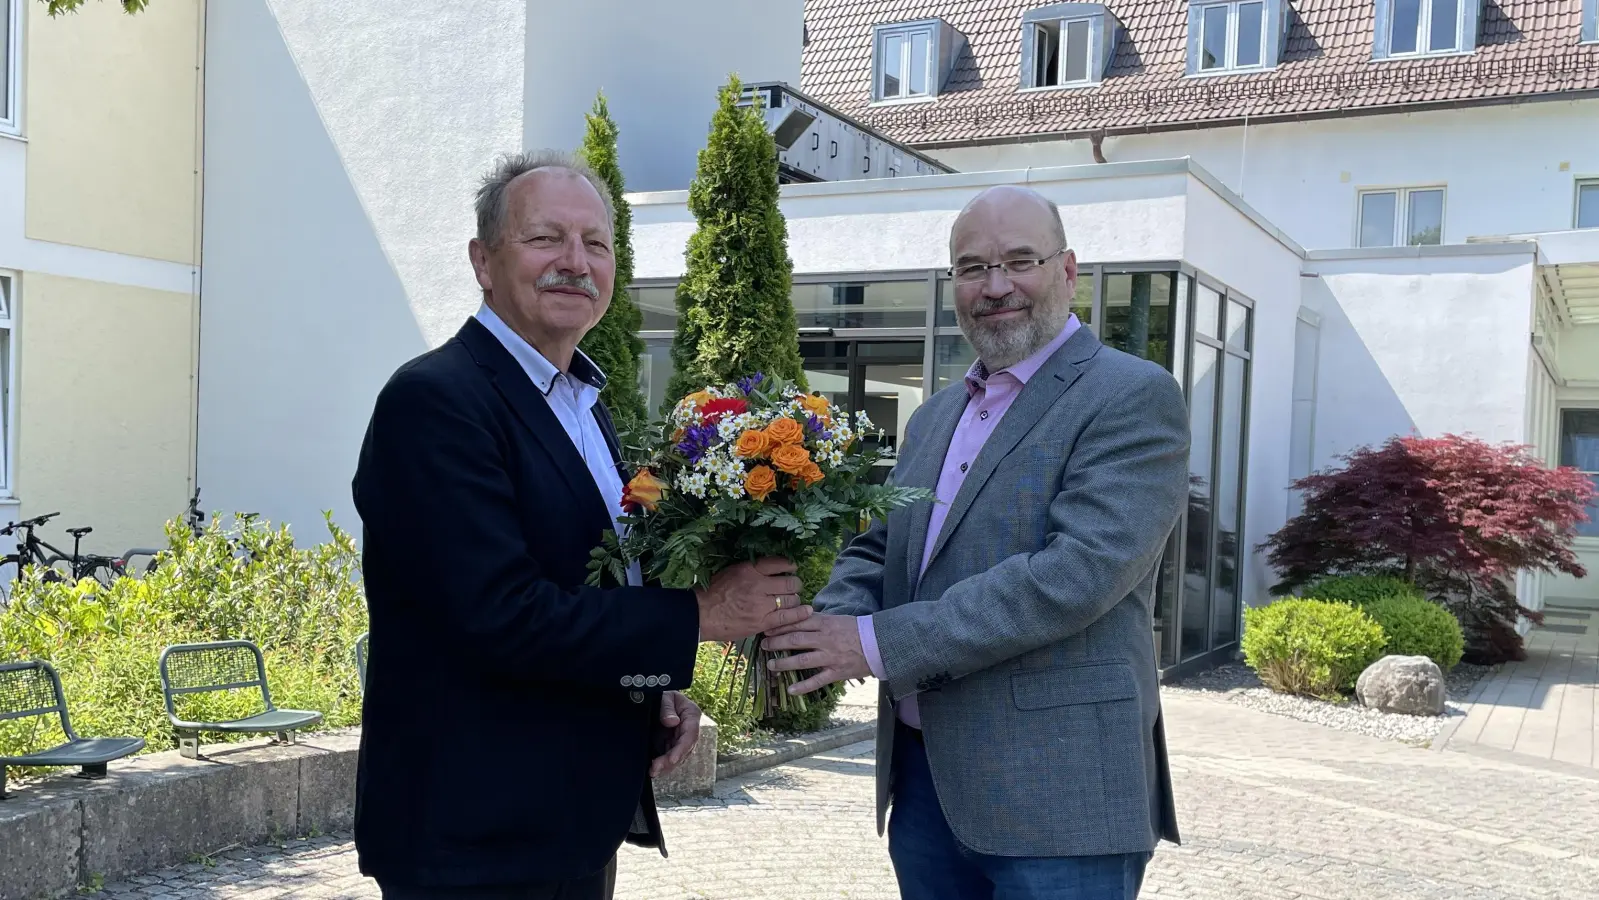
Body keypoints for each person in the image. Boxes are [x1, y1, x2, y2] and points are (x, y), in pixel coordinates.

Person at [350, 150, 810, 900]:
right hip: (475, 836)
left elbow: (593, 584)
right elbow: (499, 616)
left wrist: (646, 687)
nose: (574, 261)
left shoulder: (581, 404)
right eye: (545, 239)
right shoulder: (435, 402)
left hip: (563, 824)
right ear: (483, 260)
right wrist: (697, 615)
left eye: (595, 244)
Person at [765, 184, 1190, 900]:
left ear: (1066, 270)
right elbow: (882, 548)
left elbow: (1073, 576)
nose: (995, 287)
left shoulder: (1129, 394)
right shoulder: (934, 416)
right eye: (971, 268)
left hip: (1059, 797)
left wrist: (869, 644)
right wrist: (820, 626)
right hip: (926, 784)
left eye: (1018, 261)